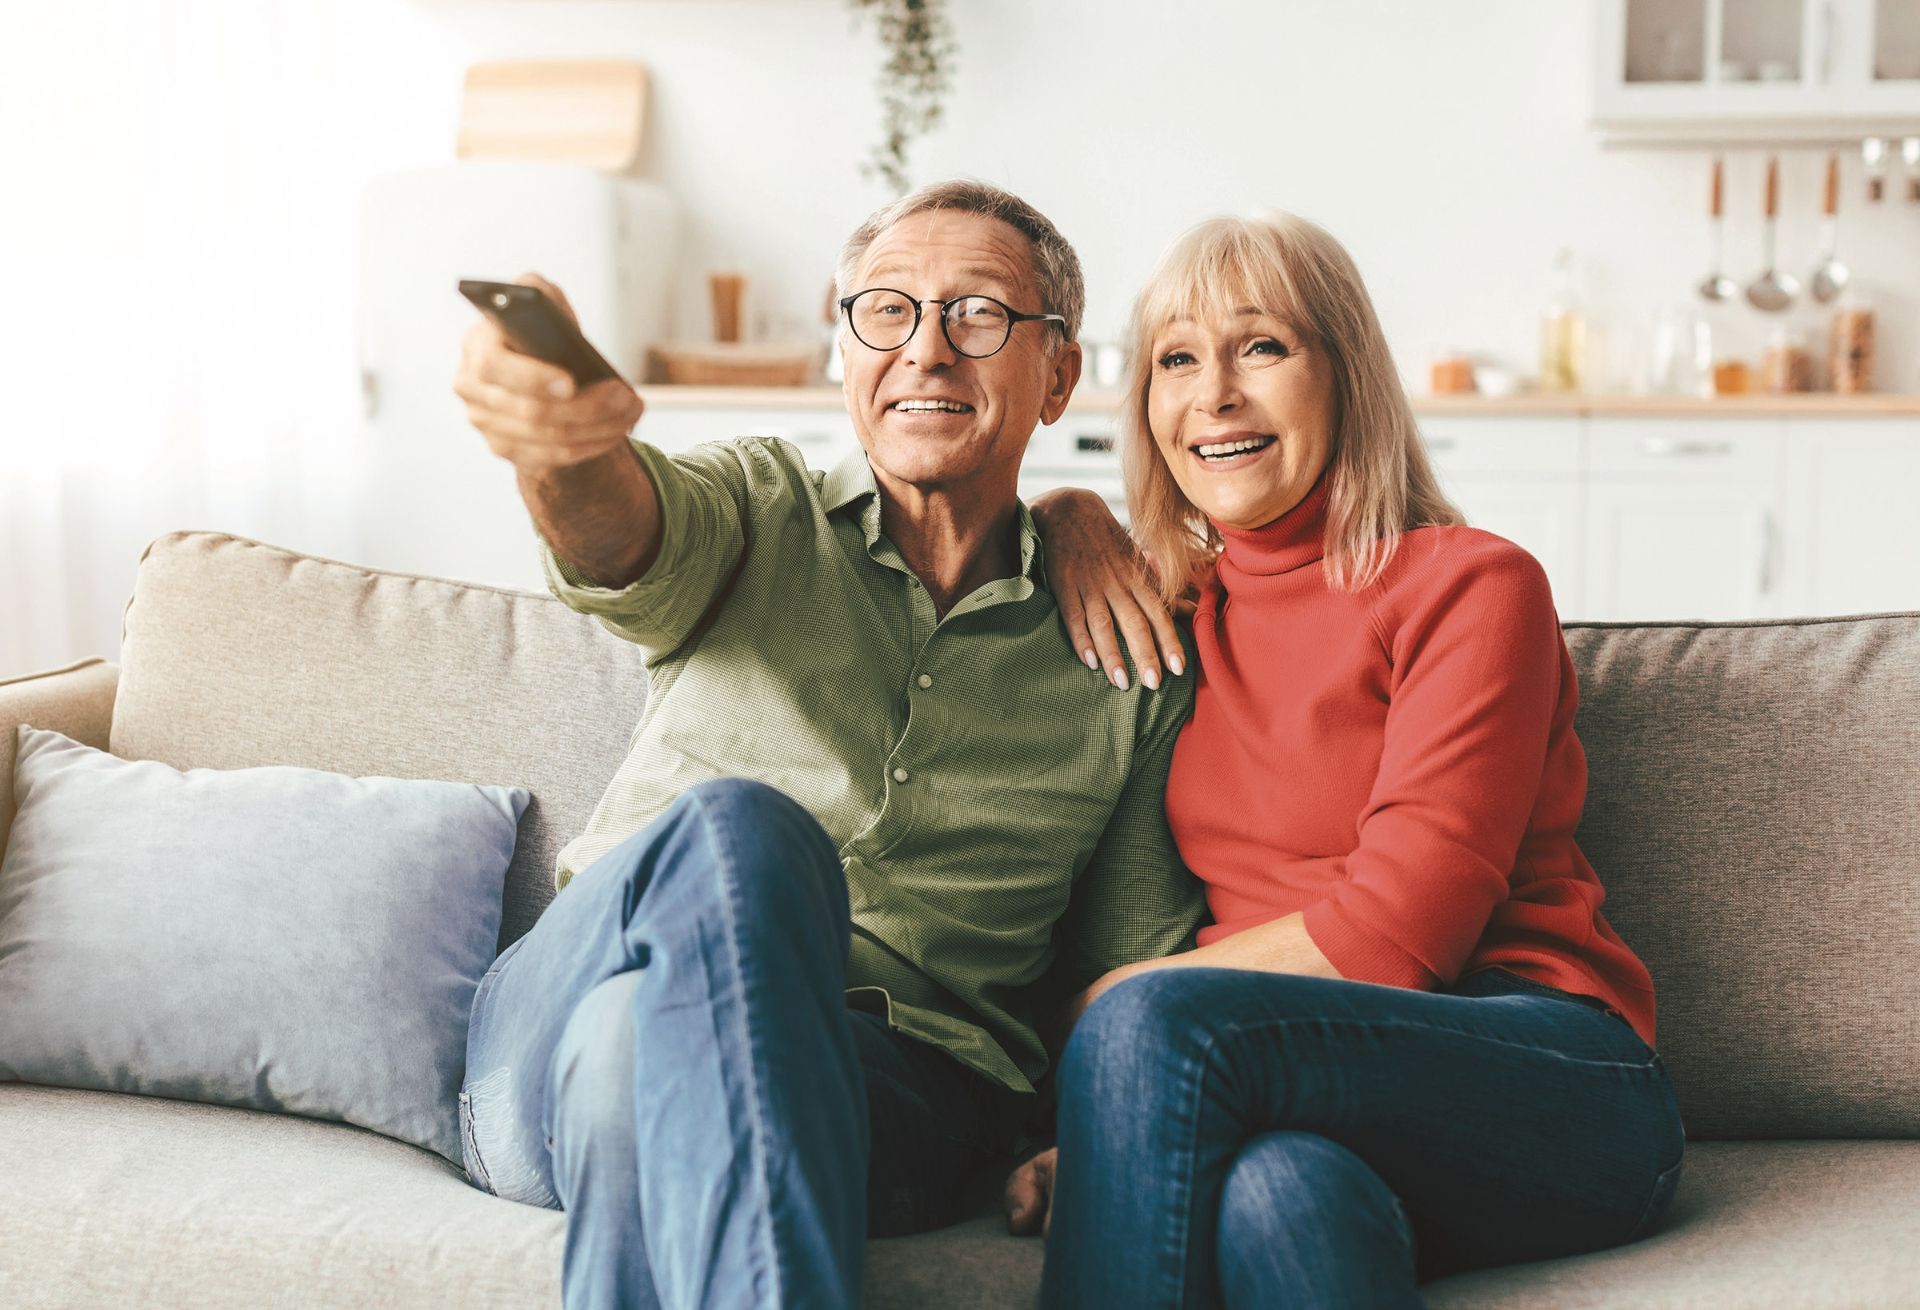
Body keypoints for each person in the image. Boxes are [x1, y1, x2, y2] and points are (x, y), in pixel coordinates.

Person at [448, 179, 1204, 1310]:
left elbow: (1128, 973)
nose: (927, 351)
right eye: (884, 311)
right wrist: (558, 453)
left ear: (1057, 374)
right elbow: (620, 530)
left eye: (979, 315)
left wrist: (1092, 1139)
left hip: (894, 1093)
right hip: (554, 1026)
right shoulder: (758, 507)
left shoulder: (1129, 658)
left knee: (634, 1060)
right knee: (745, 837)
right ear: (843, 349)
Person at [1003, 212, 1685, 1307]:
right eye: (1178, 359)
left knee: (1145, 1021)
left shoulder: (1471, 585)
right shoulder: (1172, 619)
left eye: (1261, 346)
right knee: (1282, 1197)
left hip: (1551, 1072)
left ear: (1347, 374)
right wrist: (1068, 508)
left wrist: (1121, 1018)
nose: (1214, 393)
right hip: (1289, 1093)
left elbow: (1398, 934)